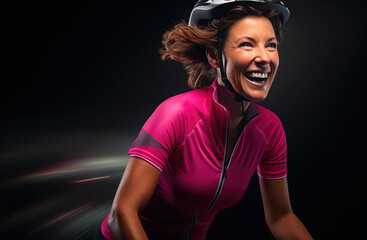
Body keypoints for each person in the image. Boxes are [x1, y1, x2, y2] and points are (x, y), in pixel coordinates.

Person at [95, 1, 313, 239]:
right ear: (213, 56)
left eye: (270, 45)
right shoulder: (176, 114)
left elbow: (281, 217)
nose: (264, 57)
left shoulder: (269, 130)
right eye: (247, 44)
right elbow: (122, 213)